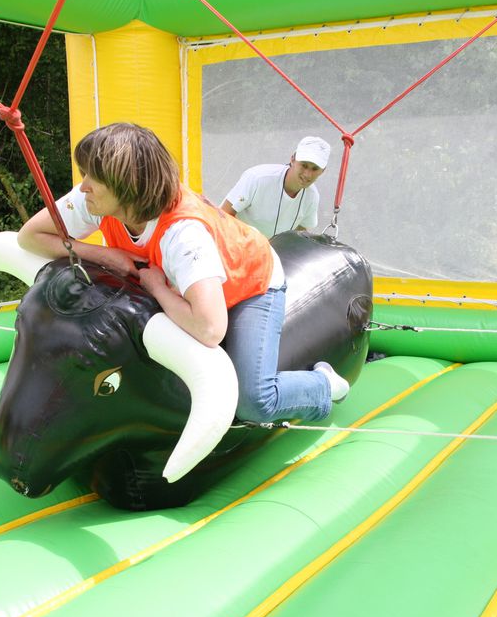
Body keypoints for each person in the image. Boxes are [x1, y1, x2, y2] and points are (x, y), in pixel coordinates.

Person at [18, 122, 347, 424]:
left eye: (93, 177)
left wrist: (158, 287)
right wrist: (109, 255)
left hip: (251, 280)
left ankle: (322, 385)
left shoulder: (183, 234)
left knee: (253, 401)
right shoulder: (97, 201)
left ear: (127, 185)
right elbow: (31, 236)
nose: (84, 186)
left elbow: (209, 328)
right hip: (189, 283)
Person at [220, 136, 331, 237]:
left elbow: (300, 234)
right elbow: (222, 215)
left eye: (315, 168)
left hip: (270, 255)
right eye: (304, 165)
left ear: (323, 171)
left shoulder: (312, 197)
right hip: (235, 244)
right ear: (292, 159)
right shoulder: (257, 178)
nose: (307, 174)